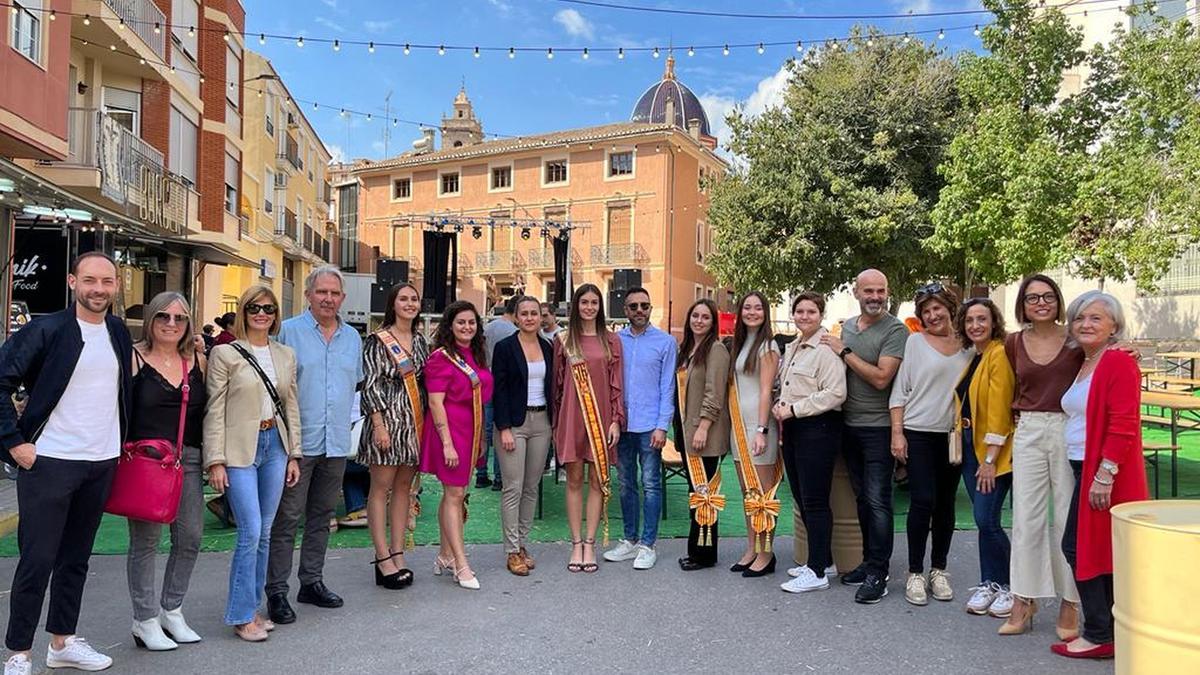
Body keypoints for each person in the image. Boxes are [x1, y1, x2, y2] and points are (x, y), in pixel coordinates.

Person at [0, 252, 132, 674]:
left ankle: (62, 643)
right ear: (73, 281)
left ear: (115, 286)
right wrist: (14, 444)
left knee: (76, 559)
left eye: (107, 282)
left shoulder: (116, 330)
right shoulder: (47, 329)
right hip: (50, 462)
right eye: (90, 280)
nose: (99, 289)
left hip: (100, 461)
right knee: (37, 560)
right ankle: (18, 653)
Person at [1052, 291, 1147, 660]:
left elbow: (1124, 424)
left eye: (1095, 318)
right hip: (1083, 465)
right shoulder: (1084, 360)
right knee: (1096, 548)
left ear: (1114, 326)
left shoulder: (1117, 362)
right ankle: (1107, 629)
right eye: (1079, 318)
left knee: (1077, 547)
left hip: (1105, 471)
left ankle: (1097, 633)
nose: (1085, 324)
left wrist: (1105, 474)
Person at [204, 285, 301, 642]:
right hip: (238, 448)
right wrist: (215, 460)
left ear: (276, 315)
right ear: (243, 312)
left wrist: (294, 453)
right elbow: (215, 409)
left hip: (275, 445)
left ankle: (253, 608)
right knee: (251, 531)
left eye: (269, 309)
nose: (262, 314)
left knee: (266, 532)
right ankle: (241, 614)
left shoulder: (285, 354)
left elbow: (291, 407)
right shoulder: (225, 354)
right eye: (255, 308)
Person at [266, 266, 362, 625]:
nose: (328, 299)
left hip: (335, 442)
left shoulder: (352, 338)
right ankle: (276, 590)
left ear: (342, 298)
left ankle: (311, 581)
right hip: (297, 444)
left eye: (334, 293)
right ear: (308, 294)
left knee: (322, 516)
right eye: (321, 292)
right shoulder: (288, 332)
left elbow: (355, 386)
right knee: (287, 517)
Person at [819, 269, 910, 604]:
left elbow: (882, 378)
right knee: (862, 499)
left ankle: (878, 572)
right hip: (849, 425)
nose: (875, 296)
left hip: (879, 427)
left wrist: (844, 351)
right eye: (869, 291)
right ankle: (869, 562)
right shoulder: (848, 326)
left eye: (881, 290)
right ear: (856, 292)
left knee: (877, 500)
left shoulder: (895, 330)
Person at [125, 292, 208, 651]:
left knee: (190, 537)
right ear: (150, 320)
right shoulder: (132, 357)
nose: (171, 324)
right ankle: (144, 619)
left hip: (188, 459)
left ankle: (171, 609)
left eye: (179, 318)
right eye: (163, 317)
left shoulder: (197, 360)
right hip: (145, 462)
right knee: (145, 542)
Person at [1001, 274, 1082, 637]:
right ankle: (1024, 599)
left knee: (1068, 516)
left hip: (1068, 426)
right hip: (1029, 429)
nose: (1041, 303)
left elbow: (1107, 355)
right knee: (1026, 518)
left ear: (1058, 300)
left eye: (1048, 296)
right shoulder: (1013, 342)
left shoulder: (1076, 340)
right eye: (1033, 298)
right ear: (1023, 305)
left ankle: (1071, 603)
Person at [889, 283, 969, 607]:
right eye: (926, 310)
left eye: (937, 308)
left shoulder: (969, 344)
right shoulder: (915, 343)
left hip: (954, 436)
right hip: (919, 430)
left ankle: (939, 569)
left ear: (950, 307)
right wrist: (897, 432)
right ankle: (914, 572)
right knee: (923, 500)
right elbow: (900, 390)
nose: (933, 314)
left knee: (946, 503)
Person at [774, 292, 847, 594]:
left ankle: (816, 572)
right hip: (793, 430)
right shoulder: (792, 347)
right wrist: (782, 405)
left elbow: (835, 393)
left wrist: (794, 409)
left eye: (811, 312)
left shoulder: (826, 349)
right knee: (803, 499)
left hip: (818, 428)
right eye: (800, 311)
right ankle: (823, 560)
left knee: (816, 501)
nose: (805, 316)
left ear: (821, 314)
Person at [419, 301, 494, 590]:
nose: (467, 327)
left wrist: (481, 437)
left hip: (471, 431)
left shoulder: (474, 354)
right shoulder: (441, 358)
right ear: (450, 325)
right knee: (455, 494)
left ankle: (445, 555)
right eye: (461, 322)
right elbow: (436, 403)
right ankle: (461, 565)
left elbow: (481, 399)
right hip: (448, 433)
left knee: (456, 493)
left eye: (471, 322)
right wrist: (447, 444)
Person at [359, 283, 429, 589]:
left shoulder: (421, 341)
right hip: (386, 423)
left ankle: (398, 552)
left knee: (404, 489)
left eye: (414, 299)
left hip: (414, 423)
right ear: (393, 304)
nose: (410, 303)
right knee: (380, 488)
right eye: (404, 298)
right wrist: (378, 424)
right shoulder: (377, 340)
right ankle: (382, 556)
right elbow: (371, 383)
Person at [553, 284, 625, 574]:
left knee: (597, 481)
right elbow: (557, 386)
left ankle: (591, 544)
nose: (590, 307)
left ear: (601, 306)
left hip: (602, 418)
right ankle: (575, 543)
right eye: (584, 302)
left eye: (595, 302)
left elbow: (616, 384)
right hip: (572, 416)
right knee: (573, 480)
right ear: (576, 306)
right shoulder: (564, 340)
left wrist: (616, 420)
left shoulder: (611, 341)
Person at [952, 298, 1017, 618]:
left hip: (991, 451)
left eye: (982, 319)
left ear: (994, 323)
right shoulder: (975, 357)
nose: (975, 325)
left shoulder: (998, 354)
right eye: (969, 320)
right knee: (983, 521)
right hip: (969, 445)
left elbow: (1000, 410)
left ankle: (1009, 587)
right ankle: (989, 582)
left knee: (986, 519)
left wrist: (990, 459)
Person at [604, 287, 676, 571]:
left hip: (650, 426)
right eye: (633, 306)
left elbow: (667, 386)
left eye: (644, 306)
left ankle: (648, 544)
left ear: (651, 308)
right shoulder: (615, 341)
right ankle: (630, 539)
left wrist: (662, 425)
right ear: (625, 309)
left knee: (651, 485)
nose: (639, 311)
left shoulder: (665, 342)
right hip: (622, 424)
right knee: (625, 484)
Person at [492, 296, 555, 575]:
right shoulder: (505, 347)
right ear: (516, 317)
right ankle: (511, 550)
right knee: (513, 487)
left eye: (535, 313)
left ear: (542, 317)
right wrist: (504, 427)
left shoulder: (548, 347)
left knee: (531, 487)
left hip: (542, 422)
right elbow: (500, 390)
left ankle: (522, 543)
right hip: (514, 425)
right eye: (525, 313)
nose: (530, 318)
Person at [727, 291, 783, 578]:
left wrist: (761, 430)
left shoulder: (768, 346)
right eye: (747, 307)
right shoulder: (741, 343)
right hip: (739, 427)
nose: (751, 312)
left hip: (758, 429)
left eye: (757, 308)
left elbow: (765, 390)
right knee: (748, 494)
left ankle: (766, 553)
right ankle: (752, 547)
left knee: (763, 496)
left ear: (765, 313)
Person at [674, 299, 731, 571]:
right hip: (688, 430)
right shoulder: (687, 349)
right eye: (695, 315)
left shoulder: (716, 350)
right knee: (696, 493)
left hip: (703, 434)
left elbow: (714, 393)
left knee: (704, 493)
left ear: (712, 322)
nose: (699, 320)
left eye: (705, 317)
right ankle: (696, 551)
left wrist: (704, 426)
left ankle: (705, 555)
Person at [478, 298, 518, 490]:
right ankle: (499, 478)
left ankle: (481, 473)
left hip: (487, 380)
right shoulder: (514, 332)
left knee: (485, 430)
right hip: (505, 384)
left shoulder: (489, 327)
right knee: (502, 429)